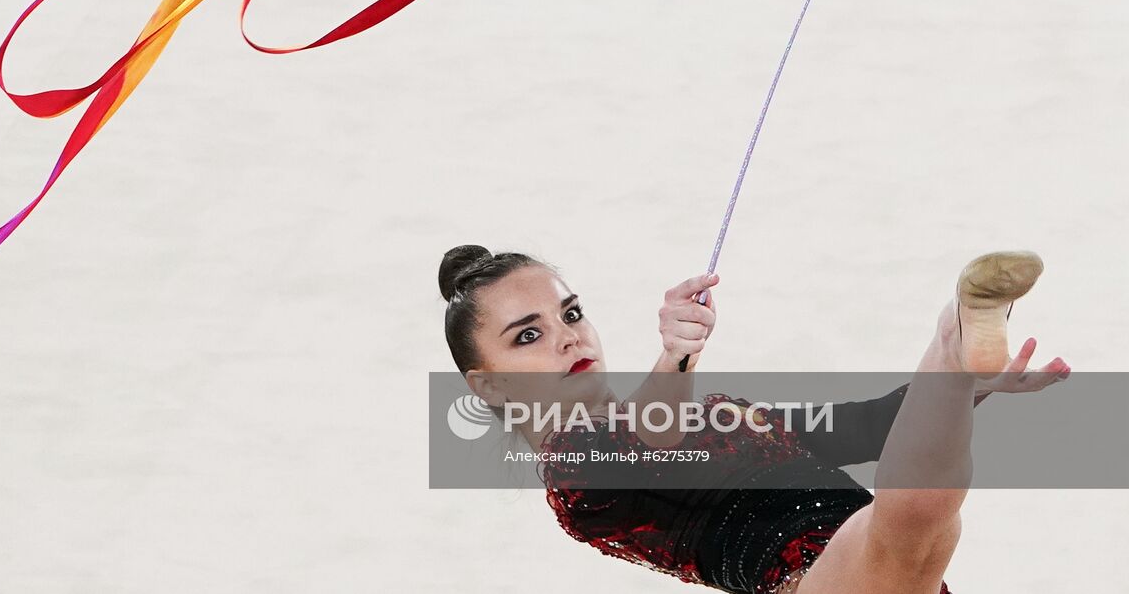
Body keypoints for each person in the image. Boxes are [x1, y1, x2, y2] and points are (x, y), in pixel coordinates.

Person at [438, 246, 1071, 594]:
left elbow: (869, 427)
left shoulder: (723, 415)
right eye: (528, 336)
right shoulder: (574, 476)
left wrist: (975, 392)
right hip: (822, 585)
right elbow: (655, 438)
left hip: (895, 576)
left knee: (921, 517)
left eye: (570, 315)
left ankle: (957, 356)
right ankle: (951, 340)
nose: (567, 339)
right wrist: (677, 353)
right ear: (488, 384)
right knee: (911, 516)